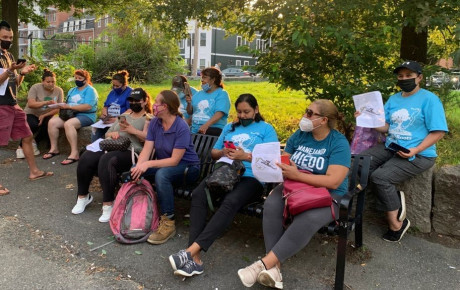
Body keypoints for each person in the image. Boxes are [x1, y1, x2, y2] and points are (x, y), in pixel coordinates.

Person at [237, 99, 350, 289]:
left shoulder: (338, 142)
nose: (304, 116)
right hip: (295, 188)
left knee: (307, 218)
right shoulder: (300, 135)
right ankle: (275, 268)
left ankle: (262, 265)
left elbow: (334, 181)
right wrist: (274, 164)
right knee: (272, 204)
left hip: (329, 195)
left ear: (323, 120)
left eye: (309, 113)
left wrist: (297, 175)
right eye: (306, 111)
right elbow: (284, 159)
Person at [169, 93, 278, 277]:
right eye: (239, 112)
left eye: (246, 111)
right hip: (224, 174)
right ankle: (194, 259)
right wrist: (223, 152)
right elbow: (213, 153)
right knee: (198, 194)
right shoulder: (229, 127)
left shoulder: (266, 129)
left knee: (230, 201)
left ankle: (189, 252)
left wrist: (246, 156)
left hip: (252, 178)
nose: (242, 115)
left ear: (256, 110)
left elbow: (272, 160)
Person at [357, 61, 448, 243]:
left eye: (409, 75)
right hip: (391, 146)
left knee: (380, 177)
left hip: (420, 153)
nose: (404, 79)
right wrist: (367, 119)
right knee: (359, 162)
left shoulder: (429, 99)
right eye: (401, 76)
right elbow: (387, 127)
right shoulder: (394, 99)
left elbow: (439, 131)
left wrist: (416, 149)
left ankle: (397, 224)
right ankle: (347, 210)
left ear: (419, 77)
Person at [130, 90, 201, 244]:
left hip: (188, 168)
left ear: (166, 106)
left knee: (162, 175)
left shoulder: (181, 126)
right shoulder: (155, 122)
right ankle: (142, 214)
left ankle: (168, 222)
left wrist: (148, 164)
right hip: (165, 166)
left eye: (157, 103)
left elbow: (175, 161)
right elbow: (147, 149)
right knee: (135, 171)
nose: (154, 106)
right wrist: (139, 166)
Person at [71, 88, 152, 222]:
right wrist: (113, 134)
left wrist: (133, 131)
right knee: (86, 157)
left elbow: (149, 140)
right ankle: (83, 197)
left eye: (137, 100)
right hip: (112, 145)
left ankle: (108, 204)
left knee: (107, 160)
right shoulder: (124, 115)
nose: (133, 103)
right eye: (131, 100)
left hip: (131, 151)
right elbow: (107, 133)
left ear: (145, 101)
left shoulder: (149, 118)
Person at [0, 20, 53, 196]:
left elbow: (15, 84)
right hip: (1, 106)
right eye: (4, 37)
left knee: (28, 136)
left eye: (10, 37)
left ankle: (34, 172)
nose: (8, 40)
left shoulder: (9, 56)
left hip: (12, 103)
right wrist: (9, 71)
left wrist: (21, 73)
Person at [44, 69, 98, 165]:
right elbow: (67, 103)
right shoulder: (72, 90)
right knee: (52, 122)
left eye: (80, 78)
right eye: (76, 78)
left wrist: (70, 106)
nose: (77, 80)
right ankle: (54, 149)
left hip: (86, 115)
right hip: (71, 114)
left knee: (69, 124)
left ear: (85, 79)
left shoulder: (90, 90)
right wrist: (60, 105)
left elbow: (88, 106)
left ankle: (74, 153)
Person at [16, 69, 64, 158]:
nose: (51, 84)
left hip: (47, 114)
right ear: (43, 81)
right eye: (48, 82)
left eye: (53, 82)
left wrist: (44, 115)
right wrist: (45, 103)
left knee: (49, 124)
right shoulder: (35, 87)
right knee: (33, 124)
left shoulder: (59, 90)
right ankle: (20, 146)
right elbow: (31, 104)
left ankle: (34, 142)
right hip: (32, 113)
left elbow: (58, 108)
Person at [187, 67, 230, 136]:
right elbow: (190, 112)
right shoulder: (198, 94)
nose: (202, 80)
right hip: (195, 131)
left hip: (212, 131)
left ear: (213, 79)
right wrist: (189, 103)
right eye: (202, 77)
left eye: (204, 77)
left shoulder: (221, 94)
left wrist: (206, 125)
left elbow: (220, 113)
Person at [91, 70, 133, 142]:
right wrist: (104, 115)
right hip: (109, 120)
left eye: (117, 86)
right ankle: (94, 150)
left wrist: (117, 119)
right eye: (113, 85)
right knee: (96, 132)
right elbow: (105, 106)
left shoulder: (130, 92)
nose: (115, 88)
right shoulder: (112, 93)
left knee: (110, 134)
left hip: (121, 121)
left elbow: (130, 110)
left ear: (124, 84)